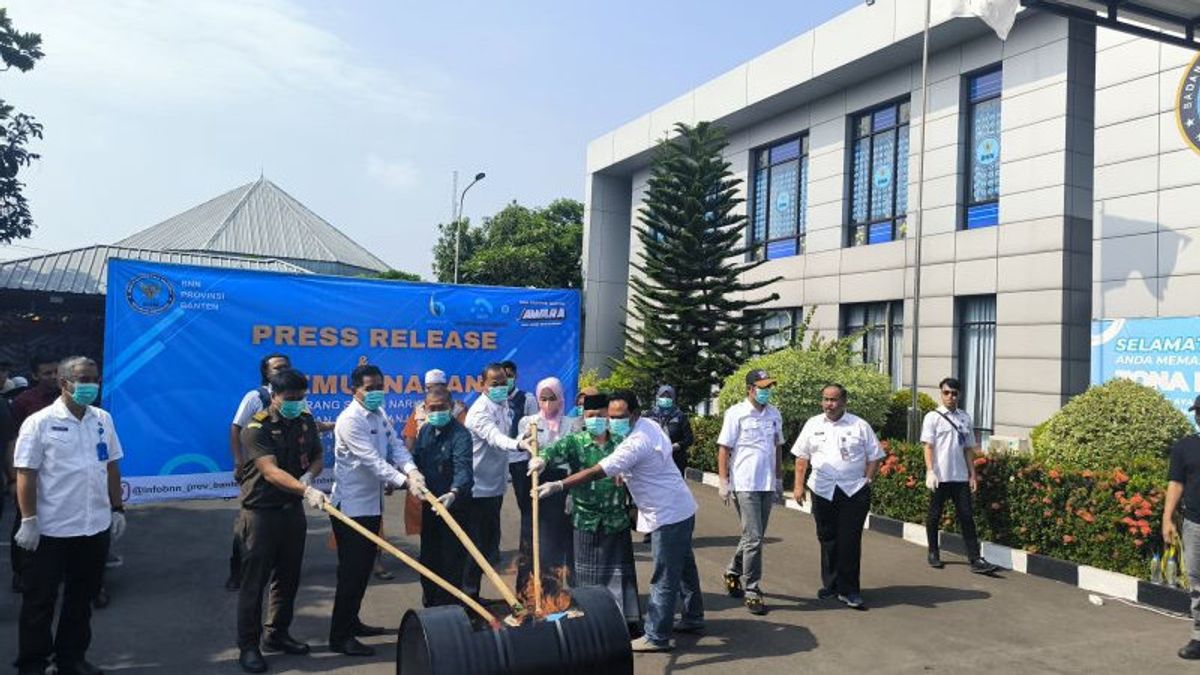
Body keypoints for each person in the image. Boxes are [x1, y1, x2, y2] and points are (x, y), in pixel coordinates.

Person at [536, 390, 702, 653]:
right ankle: (693, 618)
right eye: (610, 416)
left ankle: (657, 636)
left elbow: (596, 471)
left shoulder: (634, 442)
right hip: (678, 507)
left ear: (635, 414)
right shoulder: (650, 425)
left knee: (665, 576)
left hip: (667, 513)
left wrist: (558, 484)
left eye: (619, 417)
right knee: (684, 568)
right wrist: (542, 458)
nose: (613, 422)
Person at [12, 356, 126, 675]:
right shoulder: (40, 422)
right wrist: (29, 520)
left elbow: (112, 466)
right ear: (65, 382)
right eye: (84, 379)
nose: (91, 385)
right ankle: (33, 664)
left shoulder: (102, 419)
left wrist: (117, 508)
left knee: (81, 599)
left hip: (94, 528)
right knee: (39, 603)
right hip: (50, 530)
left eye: (95, 379)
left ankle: (71, 659)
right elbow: (26, 473)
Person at [327, 364, 426, 657]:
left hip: (371, 504)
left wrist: (413, 470)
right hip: (350, 507)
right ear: (354, 389)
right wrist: (404, 482)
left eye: (379, 386)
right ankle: (339, 636)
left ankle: (352, 622)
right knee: (352, 572)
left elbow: (396, 447)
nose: (375, 392)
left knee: (363, 569)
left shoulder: (379, 414)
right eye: (369, 388)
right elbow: (371, 460)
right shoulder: (349, 420)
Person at [235, 367, 328, 674]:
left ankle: (277, 633)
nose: (296, 403)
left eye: (301, 398)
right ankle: (249, 646)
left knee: (287, 579)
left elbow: (317, 455)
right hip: (261, 514)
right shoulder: (256, 427)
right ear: (273, 397)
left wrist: (309, 475)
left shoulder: (305, 420)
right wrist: (306, 489)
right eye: (290, 399)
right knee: (254, 585)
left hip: (292, 514)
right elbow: (271, 471)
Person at [528, 392, 641, 634]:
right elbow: (552, 450)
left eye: (601, 416)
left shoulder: (622, 441)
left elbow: (636, 465)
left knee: (619, 576)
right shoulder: (576, 441)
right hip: (585, 518)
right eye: (590, 416)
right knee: (587, 578)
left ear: (608, 417)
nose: (596, 420)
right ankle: (591, 623)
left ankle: (625, 622)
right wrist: (541, 460)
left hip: (615, 519)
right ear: (584, 417)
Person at [791, 383, 884, 610]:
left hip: (853, 491)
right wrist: (798, 486)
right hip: (822, 491)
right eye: (825, 399)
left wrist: (867, 480)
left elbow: (875, 456)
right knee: (827, 538)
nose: (828, 405)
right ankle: (831, 584)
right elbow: (801, 457)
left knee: (849, 541)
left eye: (833, 400)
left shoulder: (859, 425)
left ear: (844, 402)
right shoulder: (813, 424)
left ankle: (850, 590)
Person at [462, 362, 534, 599]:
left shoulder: (501, 404)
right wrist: (517, 444)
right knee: (475, 547)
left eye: (504, 383)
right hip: (476, 490)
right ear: (482, 385)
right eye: (495, 384)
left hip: (494, 487)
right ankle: (467, 597)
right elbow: (495, 438)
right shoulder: (480, 411)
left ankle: (474, 593)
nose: (501, 388)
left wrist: (521, 437)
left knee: (488, 546)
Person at [717, 369, 784, 615]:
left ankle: (733, 571)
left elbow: (777, 447)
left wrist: (778, 479)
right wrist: (723, 481)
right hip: (744, 482)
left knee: (752, 536)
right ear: (750, 389)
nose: (766, 391)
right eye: (762, 387)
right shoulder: (736, 413)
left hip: (766, 483)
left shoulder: (774, 414)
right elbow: (724, 448)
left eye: (769, 387)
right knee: (754, 537)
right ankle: (753, 589)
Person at [226, 353, 293, 591]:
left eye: (286, 366)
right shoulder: (255, 397)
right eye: (277, 368)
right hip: (257, 470)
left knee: (281, 522)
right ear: (266, 373)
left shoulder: (294, 398)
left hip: (284, 468)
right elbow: (236, 428)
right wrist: (238, 461)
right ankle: (237, 572)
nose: (283, 370)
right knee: (249, 525)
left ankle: (275, 570)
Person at [922, 377, 998, 574]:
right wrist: (930, 471)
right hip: (940, 476)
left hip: (960, 477)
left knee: (966, 517)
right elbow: (928, 446)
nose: (950, 397)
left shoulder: (965, 417)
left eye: (954, 393)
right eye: (946, 393)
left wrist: (972, 475)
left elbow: (968, 449)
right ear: (941, 393)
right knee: (934, 516)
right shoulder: (932, 417)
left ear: (959, 395)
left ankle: (975, 559)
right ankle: (933, 552)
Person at [410, 389, 474, 607]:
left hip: (455, 507)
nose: (437, 411)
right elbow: (417, 460)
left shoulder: (461, 435)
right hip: (431, 507)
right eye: (432, 408)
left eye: (441, 407)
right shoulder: (426, 430)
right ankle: (430, 606)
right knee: (428, 559)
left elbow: (464, 470)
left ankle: (450, 612)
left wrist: (454, 492)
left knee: (451, 562)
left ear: (451, 407)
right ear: (426, 409)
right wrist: (409, 478)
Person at [514, 377, 578, 594]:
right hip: (533, 479)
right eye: (543, 398)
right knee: (530, 537)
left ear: (561, 399)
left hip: (559, 483)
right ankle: (525, 594)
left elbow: (572, 456)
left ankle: (551, 592)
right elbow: (521, 446)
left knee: (554, 540)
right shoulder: (529, 422)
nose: (548, 403)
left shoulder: (570, 424)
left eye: (553, 398)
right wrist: (525, 444)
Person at [7, 355, 60, 596]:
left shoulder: (68, 397)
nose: (52, 377)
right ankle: (22, 573)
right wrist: (14, 478)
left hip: (61, 475)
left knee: (59, 524)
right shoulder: (23, 401)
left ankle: (60, 571)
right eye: (47, 373)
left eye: (55, 372)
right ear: (35, 376)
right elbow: (13, 439)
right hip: (31, 472)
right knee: (25, 522)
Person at [1163, 395, 1200, 660]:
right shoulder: (1184, 447)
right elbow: (1175, 484)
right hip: (1194, 525)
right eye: (1197, 412)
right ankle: (1199, 638)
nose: (1198, 416)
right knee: (1198, 584)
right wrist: (1167, 518)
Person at [500, 360, 540, 583]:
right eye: (502, 376)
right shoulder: (494, 401)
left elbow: (534, 428)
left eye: (509, 375)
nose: (505, 380)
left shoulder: (527, 399)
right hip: (498, 460)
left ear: (515, 375)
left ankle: (528, 547)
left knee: (525, 506)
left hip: (519, 458)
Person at [647, 385, 695, 476]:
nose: (665, 398)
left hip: (675, 460)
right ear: (657, 397)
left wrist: (677, 445)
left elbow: (689, 438)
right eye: (662, 396)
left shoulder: (680, 416)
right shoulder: (649, 415)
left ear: (673, 398)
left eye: (668, 396)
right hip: (653, 460)